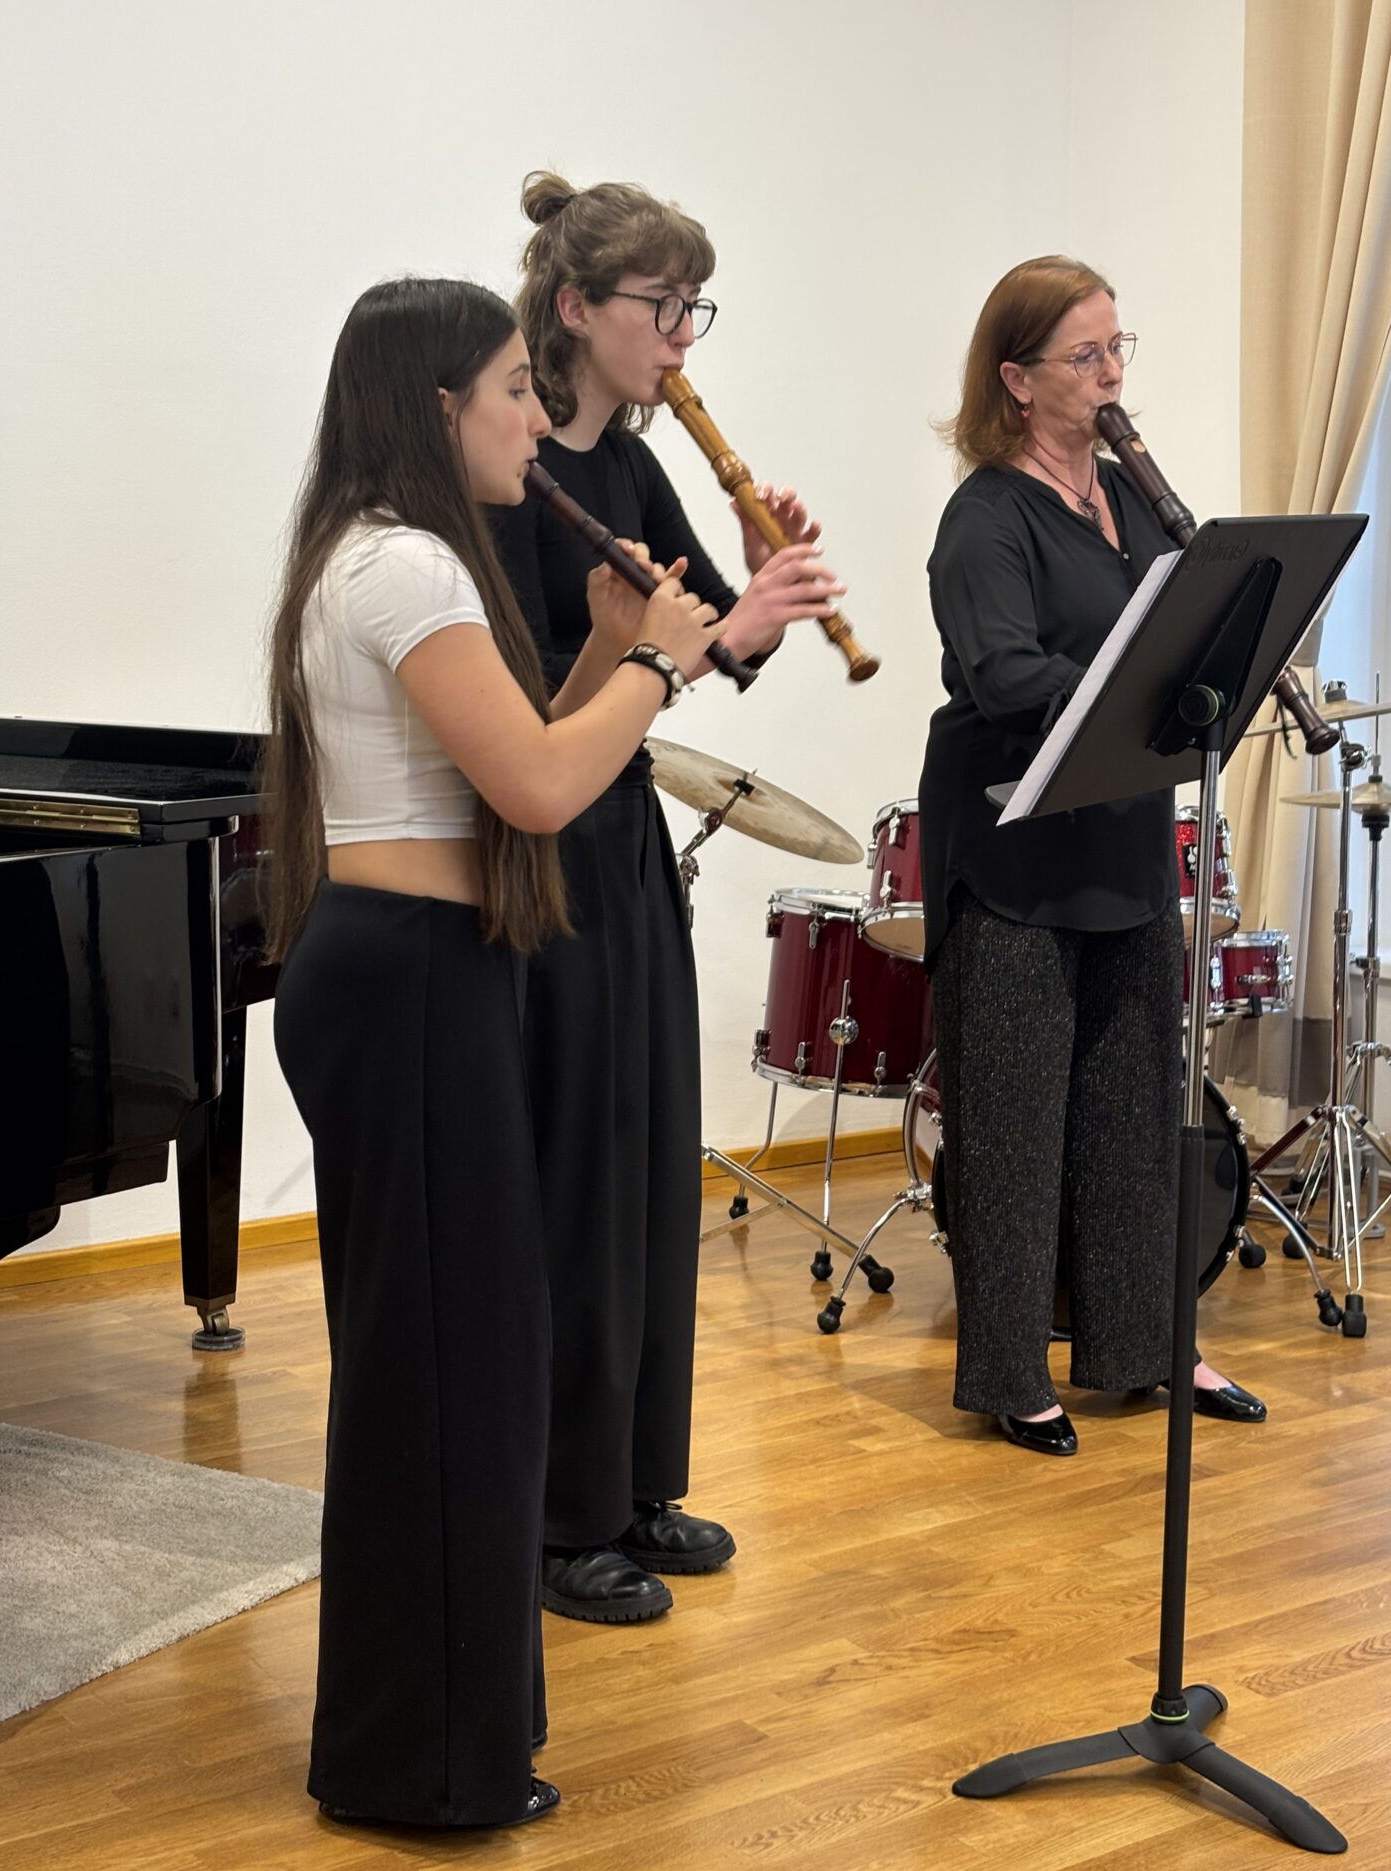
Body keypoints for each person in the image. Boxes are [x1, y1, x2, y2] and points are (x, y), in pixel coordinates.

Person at [266, 276, 721, 1825]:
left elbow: (510, 761)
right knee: (449, 1383)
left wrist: (604, 654)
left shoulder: (377, 554)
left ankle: (432, 1743)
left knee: (460, 1368)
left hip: (411, 974)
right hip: (407, 983)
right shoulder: (404, 566)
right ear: (438, 403)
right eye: (517, 389)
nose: (538, 420)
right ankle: (424, 1771)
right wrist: (660, 665)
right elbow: (535, 790)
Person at [494, 172, 844, 1623]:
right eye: (664, 307)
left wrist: (759, 598)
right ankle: (559, 1517)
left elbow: (703, 652)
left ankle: (638, 1485)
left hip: (625, 833)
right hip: (542, 846)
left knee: (649, 1162)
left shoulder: (636, 473)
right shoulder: (507, 476)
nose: (684, 337)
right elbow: (538, 692)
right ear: (578, 308)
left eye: (697, 308)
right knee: (575, 1177)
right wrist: (710, 633)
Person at [917, 255, 1267, 1458]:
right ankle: (1010, 1374)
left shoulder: (1132, 497)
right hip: (1014, 850)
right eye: (1086, 354)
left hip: (1122, 836)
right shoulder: (984, 518)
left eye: (1119, 348)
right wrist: (1143, 686)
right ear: (1018, 380)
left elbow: (1180, 636)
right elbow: (1004, 672)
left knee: (1134, 1114)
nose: (1113, 372)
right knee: (1013, 1129)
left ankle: (1143, 1346)